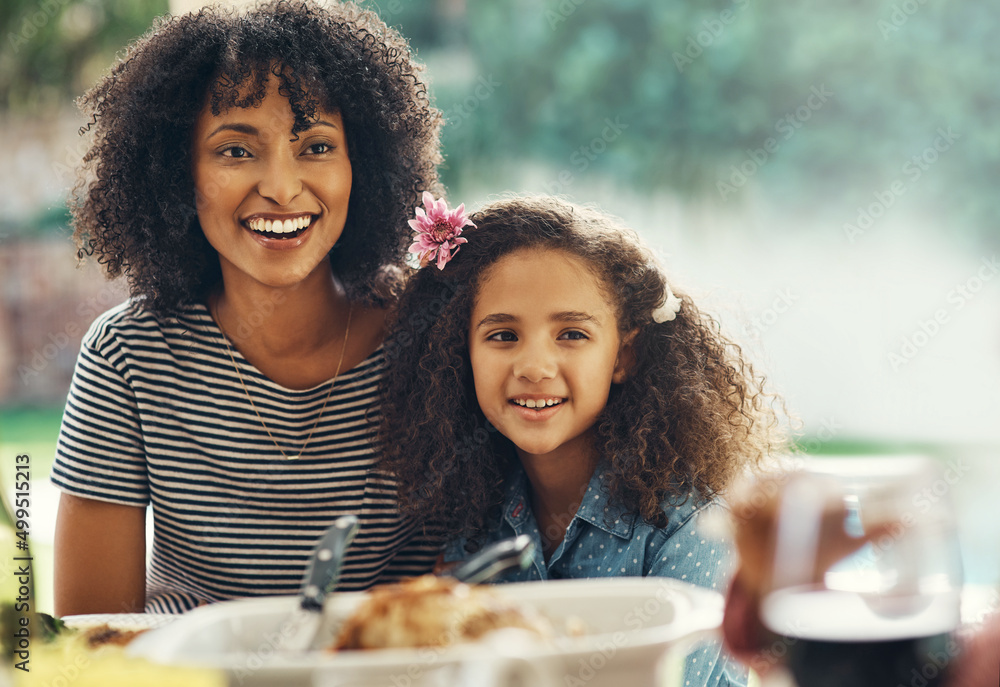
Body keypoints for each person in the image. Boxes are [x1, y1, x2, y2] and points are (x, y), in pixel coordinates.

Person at [51, 0, 444, 615]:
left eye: (315, 146)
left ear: (360, 165)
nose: (282, 188)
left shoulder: (432, 337)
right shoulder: (127, 356)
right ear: (177, 172)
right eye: (235, 151)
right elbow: (93, 635)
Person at [380, 195, 784, 687]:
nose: (533, 367)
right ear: (457, 354)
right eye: (503, 336)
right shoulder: (470, 518)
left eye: (571, 334)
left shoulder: (693, 526)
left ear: (623, 357)